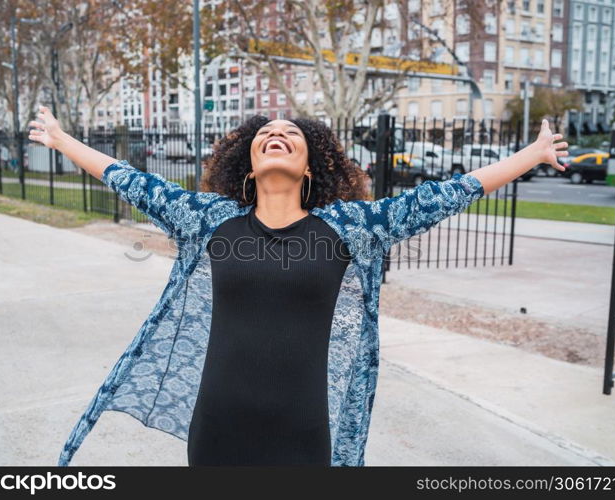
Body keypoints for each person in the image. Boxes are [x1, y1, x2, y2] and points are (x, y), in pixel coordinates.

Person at [28, 105, 568, 466]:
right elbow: (126, 177)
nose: (277, 135)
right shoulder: (208, 220)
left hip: (304, 434)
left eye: (292, 134)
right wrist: (60, 138)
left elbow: (448, 193)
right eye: (266, 134)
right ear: (249, 165)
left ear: (310, 168)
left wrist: (533, 155)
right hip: (217, 428)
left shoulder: (351, 227)